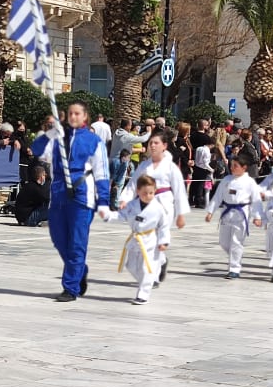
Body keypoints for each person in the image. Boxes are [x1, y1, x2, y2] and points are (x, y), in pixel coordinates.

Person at [30, 99, 111, 302]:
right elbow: (36, 150)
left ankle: (71, 287)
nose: (73, 117)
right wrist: (50, 132)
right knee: (58, 239)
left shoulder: (93, 141)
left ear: (85, 117)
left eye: (77, 113)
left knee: (76, 242)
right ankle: (80, 269)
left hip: (82, 195)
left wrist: (103, 200)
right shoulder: (58, 138)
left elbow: (102, 172)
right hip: (58, 194)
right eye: (70, 113)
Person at [119, 129, 189, 283]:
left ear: (164, 146)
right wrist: (125, 199)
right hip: (145, 205)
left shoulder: (170, 167)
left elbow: (179, 190)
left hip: (164, 204)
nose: (152, 146)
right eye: (150, 143)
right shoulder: (144, 165)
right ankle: (161, 261)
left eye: (156, 143)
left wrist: (181, 214)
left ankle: (154, 276)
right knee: (147, 239)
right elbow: (133, 184)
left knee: (158, 239)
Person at [104, 174, 169, 304]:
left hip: (151, 240)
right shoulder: (132, 205)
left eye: (151, 193)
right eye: (144, 193)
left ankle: (143, 294)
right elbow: (122, 215)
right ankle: (147, 281)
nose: (148, 196)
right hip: (135, 239)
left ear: (154, 191)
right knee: (131, 266)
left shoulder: (158, 208)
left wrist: (164, 241)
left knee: (146, 268)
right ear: (138, 191)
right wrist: (108, 216)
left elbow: (164, 226)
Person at [204, 151, 263, 279]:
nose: (232, 168)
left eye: (235, 166)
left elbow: (256, 200)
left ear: (244, 167)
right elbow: (218, 196)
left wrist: (257, 217)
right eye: (231, 165)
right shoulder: (226, 180)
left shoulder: (250, 182)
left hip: (241, 214)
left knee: (236, 242)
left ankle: (234, 269)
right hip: (227, 212)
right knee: (224, 242)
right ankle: (235, 257)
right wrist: (210, 211)